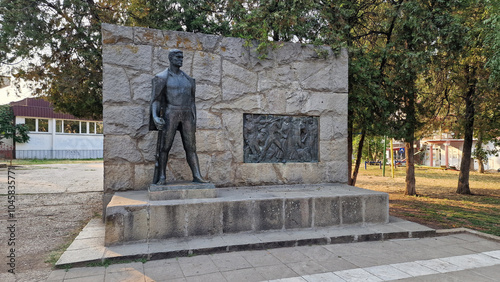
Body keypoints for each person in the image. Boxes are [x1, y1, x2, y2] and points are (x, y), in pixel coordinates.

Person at [149, 49, 208, 185]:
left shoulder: (188, 79)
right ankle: (162, 177)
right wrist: (155, 116)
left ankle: (197, 175)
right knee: (165, 147)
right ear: (170, 58)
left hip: (187, 115)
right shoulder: (162, 77)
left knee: (191, 148)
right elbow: (156, 100)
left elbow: (192, 101)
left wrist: (194, 119)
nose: (181, 59)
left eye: (182, 57)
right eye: (177, 57)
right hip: (171, 113)